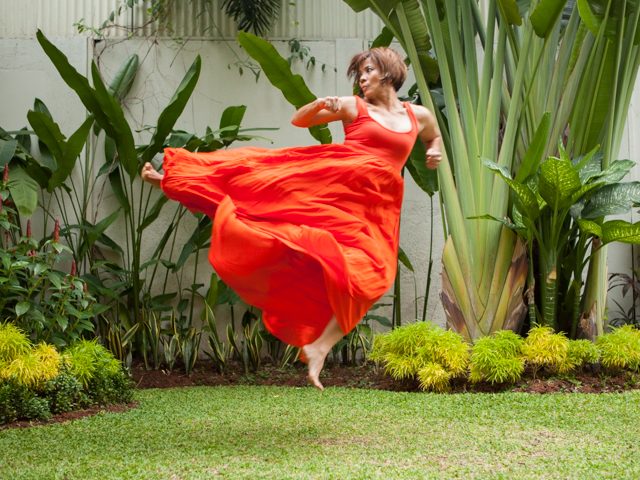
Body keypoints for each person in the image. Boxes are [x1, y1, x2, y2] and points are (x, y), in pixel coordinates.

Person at [141, 47, 442, 390]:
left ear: (389, 73)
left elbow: (433, 136)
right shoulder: (353, 107)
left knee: (374, 278)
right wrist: (318, 105)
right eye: (359, 72)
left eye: (368, 70)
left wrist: (434, 150)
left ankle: (318, 347)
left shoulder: (418, 115)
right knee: (258, 185)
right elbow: (300, 120)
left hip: (379, 208)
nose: (361, 78)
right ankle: (173, 181)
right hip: (338, 193)